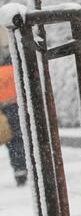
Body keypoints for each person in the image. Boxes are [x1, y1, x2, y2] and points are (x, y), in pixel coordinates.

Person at [0, 46, 27, 187]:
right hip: (22, 107)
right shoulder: (15, 70)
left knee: (14, 142)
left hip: (6, 111)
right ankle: (33, 164)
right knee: (27, 137)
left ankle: (19, 170)